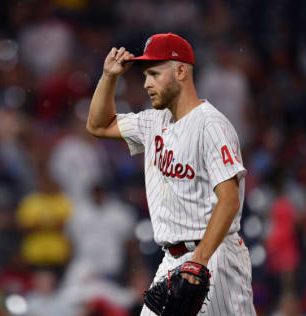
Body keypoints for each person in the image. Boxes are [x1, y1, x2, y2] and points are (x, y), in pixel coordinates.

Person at [86, 32, 255, 315]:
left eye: (154, 74)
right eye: (145, 76)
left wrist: (198, 261)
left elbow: (229, 200)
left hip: (215, 256)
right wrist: (109, 77)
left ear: (180, 71)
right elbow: (98, 125)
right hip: (171, 260)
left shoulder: (211, 125)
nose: (146, 83)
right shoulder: (154, 121)